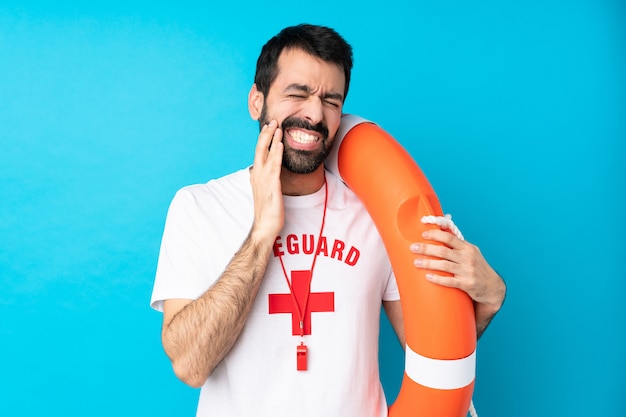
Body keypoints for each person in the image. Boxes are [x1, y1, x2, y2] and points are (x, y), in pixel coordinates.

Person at [150, 24, 506, 417]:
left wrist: (487, 304)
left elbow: (430, 352)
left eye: (331, 101)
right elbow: (190, 365)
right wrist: (262, 233)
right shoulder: (200, 206)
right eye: (297, 94)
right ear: (257, 101)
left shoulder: (372, 214)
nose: (315, 114)